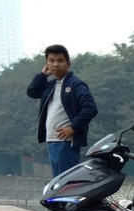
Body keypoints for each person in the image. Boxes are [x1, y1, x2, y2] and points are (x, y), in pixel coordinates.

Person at [26, 44, 98, 177]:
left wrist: (73, 127)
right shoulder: (50, 86)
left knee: (66, 181)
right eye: (51, 60)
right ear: (47, 63)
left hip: (66, 142)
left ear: (68, 63)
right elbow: (32, 92)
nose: (55, 64)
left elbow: (91, 108)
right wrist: (42, 75)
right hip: (52, 140)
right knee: (58, 182)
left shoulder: (76, 84)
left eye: (60, 60)